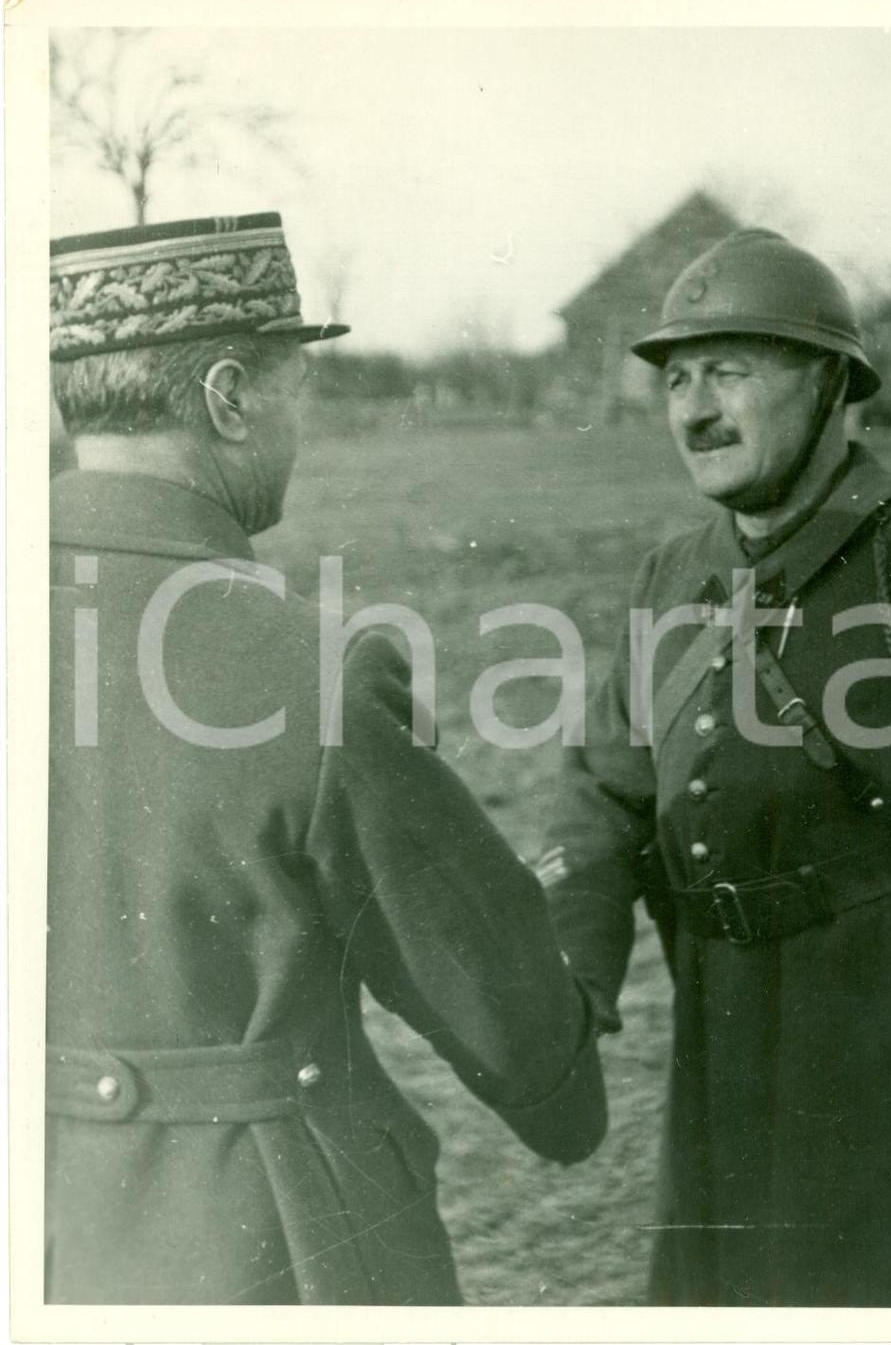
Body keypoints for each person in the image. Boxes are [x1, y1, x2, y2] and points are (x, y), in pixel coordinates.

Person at [46, 212, 605, 1305]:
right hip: (270, 1247)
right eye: (295, 383)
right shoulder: (308, 667)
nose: (303, 418)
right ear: (226, 396)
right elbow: (506, 1013)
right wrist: (564, 1075)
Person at [539, 228, 891, 1307]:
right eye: (677, 379)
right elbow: (602, 790)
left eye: (728, 370)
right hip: (713, 1032)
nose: (694, 410)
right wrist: (571, 979)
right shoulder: (672, 574)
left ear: (827, 382)